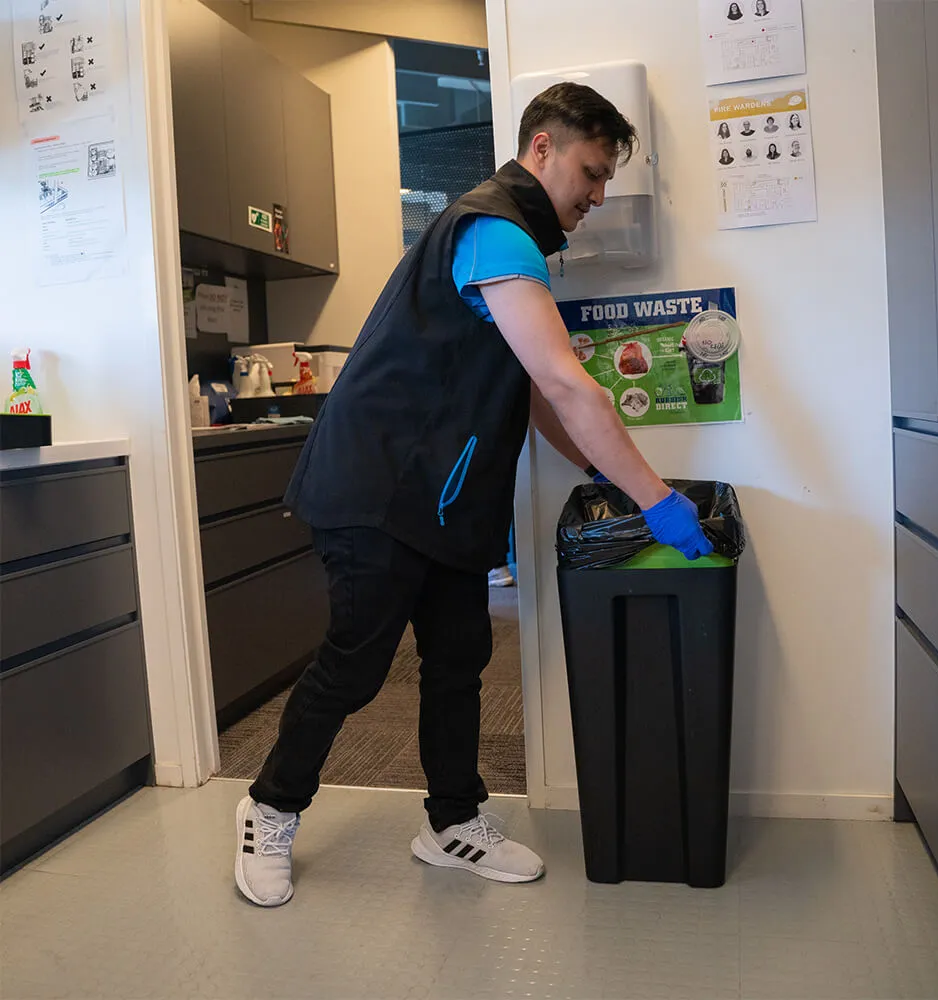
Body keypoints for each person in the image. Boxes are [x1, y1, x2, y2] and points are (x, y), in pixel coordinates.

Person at [233, 82, 714, 908]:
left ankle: (451, 822)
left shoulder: (513, 246)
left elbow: (533, 390)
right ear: (542, 150)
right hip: (379, 488)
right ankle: (269, 807)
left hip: (444, 501)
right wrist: (656, 500)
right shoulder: (493, 228)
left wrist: (603, 472)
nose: (598, 196)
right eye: (592, 173)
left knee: (459, 663)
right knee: (356, 666)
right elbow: (567, 384)